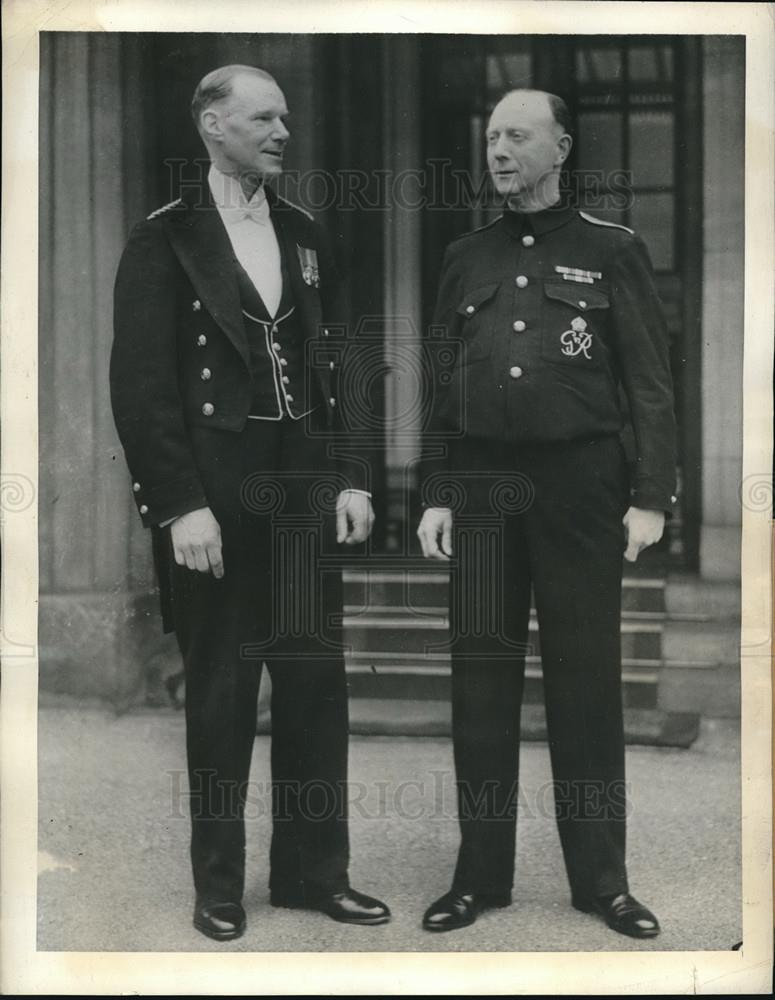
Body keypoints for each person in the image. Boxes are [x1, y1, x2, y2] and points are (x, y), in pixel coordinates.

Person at [111, 64, 390, 941]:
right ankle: (219, 886)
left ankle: (314, 874)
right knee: (224, 694)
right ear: (212, 125)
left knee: (315, 689)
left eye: (285, 119)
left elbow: (341, 364)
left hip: (304, 489)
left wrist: (352, 474)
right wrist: (178, 504)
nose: (282, 133)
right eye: (263, 119)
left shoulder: (305, 231)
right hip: (216, 500)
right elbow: (141, 387)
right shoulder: (163, 239)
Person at [416, 89, 676, 938]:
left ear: (560, 147)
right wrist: (434, 491)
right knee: (479, 685)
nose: (498, 149)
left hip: (581, 487)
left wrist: (649, 495)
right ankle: (477, 877)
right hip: (484, 488)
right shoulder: (464, 254)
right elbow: (443, 382)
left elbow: (647, 384)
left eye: (517, 136)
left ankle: (601, 882)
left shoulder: (611, 251)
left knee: (584, 683)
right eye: (491, 135)